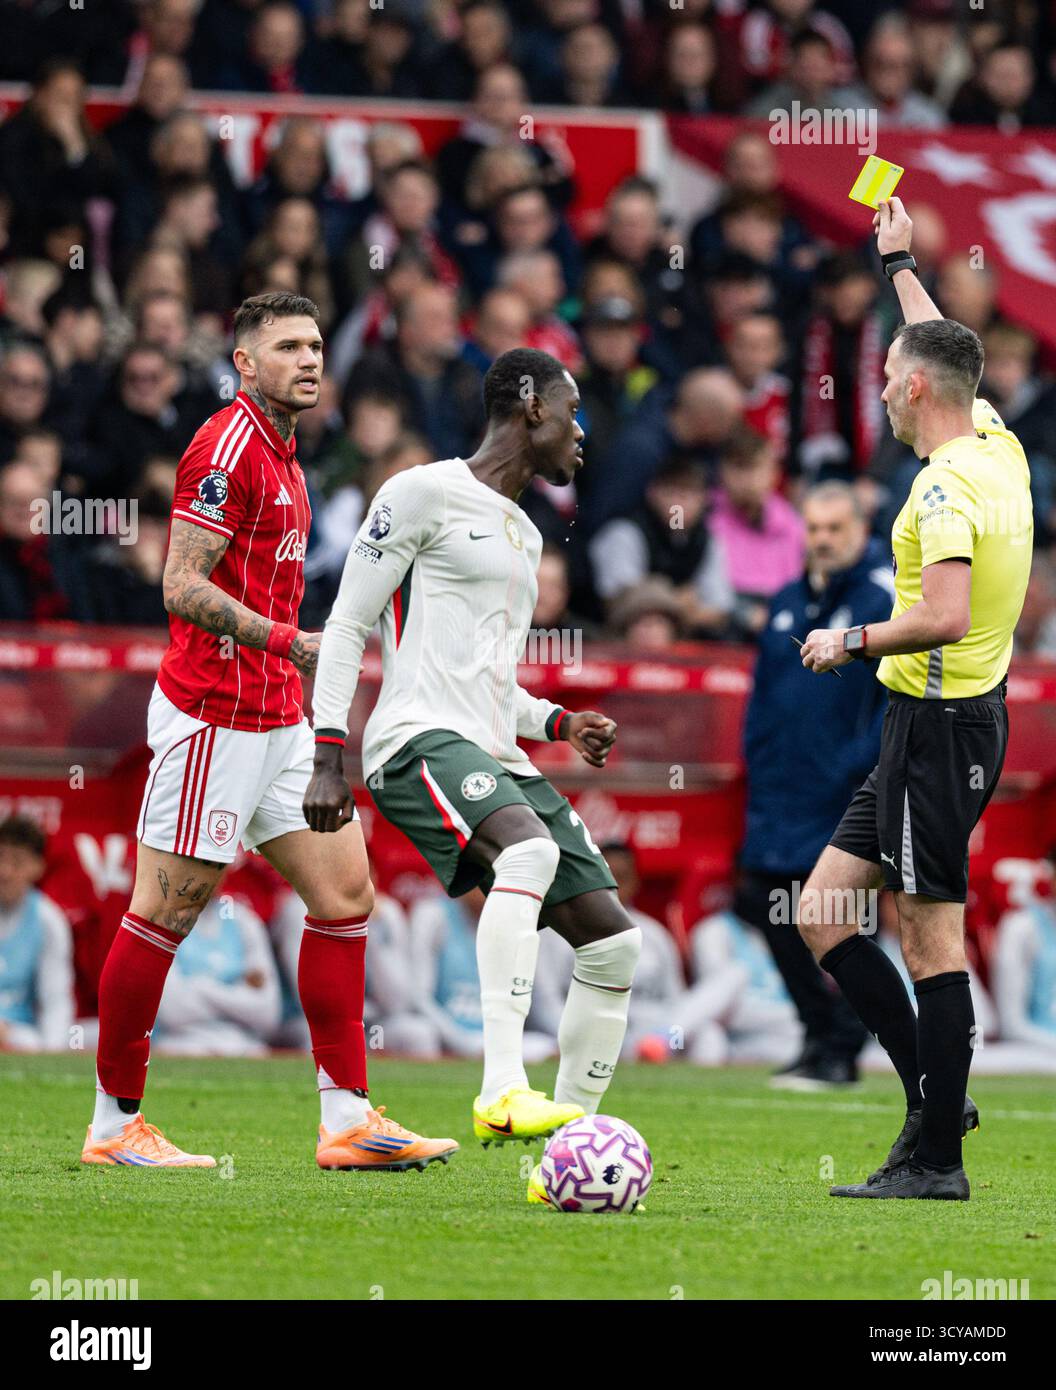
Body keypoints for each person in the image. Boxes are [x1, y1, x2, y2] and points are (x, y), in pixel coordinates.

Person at [82, 290, 455, 1172]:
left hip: (278, 717)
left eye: (317, 344)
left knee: (345, 898)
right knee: (163, 914)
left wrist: (291, 667)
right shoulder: (227, 445)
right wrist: (294, 642)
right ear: (245, 362)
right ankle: (112, 1126)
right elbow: (180, 584)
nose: (311, 360)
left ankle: (348, 1120)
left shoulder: (290, 453)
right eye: (288, 346)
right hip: (215, 714)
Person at [304, 348, 642, 1206]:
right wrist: (326, 750)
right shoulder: (420, 492)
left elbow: (488, 679)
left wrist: (559, 722)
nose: (582, 436)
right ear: (528, 406)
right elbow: (347, 626)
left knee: (614, 943)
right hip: (414, 740)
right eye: (574, 413)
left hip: (494, 749)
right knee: (525, 857)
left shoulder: (526, 533)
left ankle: (564, 1162)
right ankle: (499, 1085)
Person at [798, 198, 1033, 1200]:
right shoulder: (995, 441)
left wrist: (845, 637)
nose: (882, 390)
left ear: (920, 387)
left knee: (928, 933)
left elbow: (938, 614)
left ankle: (937, 1154)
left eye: (892, 377)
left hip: (937, 725)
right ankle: (938, 1098)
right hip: (934, 725)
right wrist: (897, 258)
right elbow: (939, 342)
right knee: (821, 911)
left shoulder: (943, 488)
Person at [739, 481, 894, 1088]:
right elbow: (764, 696)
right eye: (814, 528)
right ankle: (817, 1033)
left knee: (845, 917)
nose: (823, 540)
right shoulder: (784, 600)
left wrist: (857, 766)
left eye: (836, 529)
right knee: (765, 905)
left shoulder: (884, 600)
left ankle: (844, 1047)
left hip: (844, 791)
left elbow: (896, 697)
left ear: (860, 529)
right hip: (780, 793)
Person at [0, 815, 74, 1052]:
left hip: (17, 1036)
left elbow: (56, 1001)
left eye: (17, 862)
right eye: (0, 858)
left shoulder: (49, 921)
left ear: (38, 867)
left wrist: (52, 1058)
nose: (5, 872)